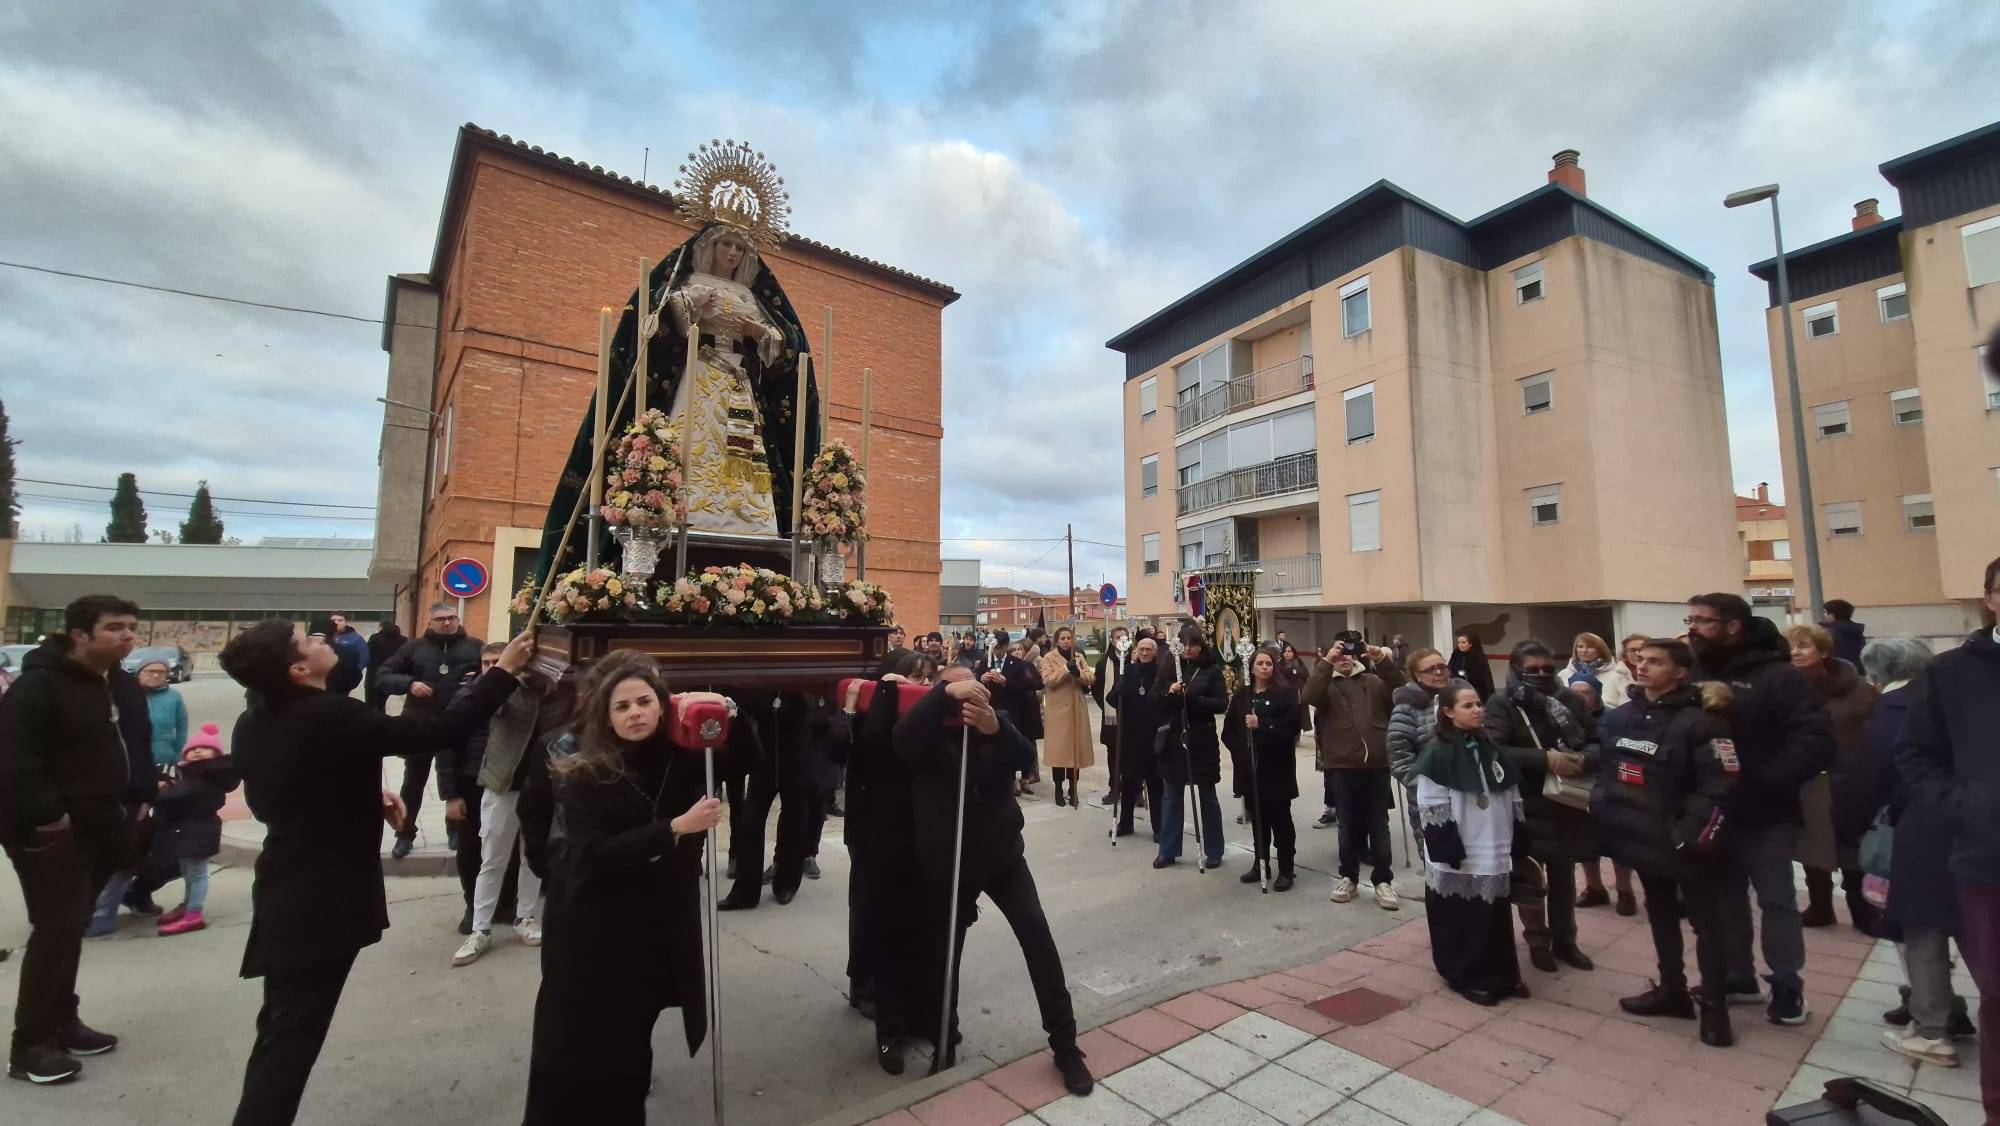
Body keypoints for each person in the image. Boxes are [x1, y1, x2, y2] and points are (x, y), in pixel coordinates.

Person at [220, 618, 532, 1124]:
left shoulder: (255, 720)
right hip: (320, 897)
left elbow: (279, 795)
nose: (320, 640)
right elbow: (441, 730)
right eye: (307, 641)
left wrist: (362, 794)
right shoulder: (332, 714)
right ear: (298, 669)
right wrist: (504, 673)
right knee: (291, 1037)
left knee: (282, 1026)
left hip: (285, 884)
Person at [520, 652, 722, 1122]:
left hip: (652, 922)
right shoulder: (575, 760)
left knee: (630, 1044)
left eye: (645, 701)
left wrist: (723, 712)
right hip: (590, 922)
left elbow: (745, 758)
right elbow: (547, 828)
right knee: (572, 1047)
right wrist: (674, 828)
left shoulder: (677, 750)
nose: (636, 713)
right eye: (623, 705)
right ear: (602, 707)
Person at [894, 666, 1095, 1096]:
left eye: (972, 685)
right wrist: (944, 694)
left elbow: (1024, 758)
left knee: (1037, 937)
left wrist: (994, 729)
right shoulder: (927, 727)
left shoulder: (994, 720)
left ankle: (1065, 1044)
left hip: (1003, 857)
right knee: (944, 955)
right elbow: (902, 739)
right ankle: (944, 1039)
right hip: (949, 863)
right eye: (957, 686)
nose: (968, 693)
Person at [0, 595, 143, 1084]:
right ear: (80, 635)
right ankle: (30, 1048)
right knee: (55, 930)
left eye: (131, 627)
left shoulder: (105, 680)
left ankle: (62, 1021)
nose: (128, 636)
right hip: (48, 832)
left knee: (72, 927)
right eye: (115, 628)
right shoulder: (37, 686)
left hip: (97, 826)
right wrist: (49, 818)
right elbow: (13, 761)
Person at [1685, 592, 1834, 1026]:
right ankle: (1739, 977)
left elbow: (1814, 740)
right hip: (1713, 810)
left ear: (1732, 626)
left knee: (1776, 899)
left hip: (1767, 811)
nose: (1692, 628)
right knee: (1726, 896)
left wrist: (1763, 780)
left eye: (1702, 620)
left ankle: (1786, 985)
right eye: (1690, 620)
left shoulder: (1780, 676)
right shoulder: (1695, 670)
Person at [1593, 638, 1740, 1047]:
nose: (1642, 666)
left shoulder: (1704, 722)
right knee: (1659, 915)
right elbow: (1609, 771)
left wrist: (1688, 837)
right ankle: (1672, 991)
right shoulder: (1622, 717)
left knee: (1707, 925)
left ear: (1680, 672)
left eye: (1655, 662)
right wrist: (1605, 812)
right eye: (1640, 660)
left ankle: (1715, 1008)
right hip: (1643, 838)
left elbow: (1720, 785)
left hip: (1689, 845)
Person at [1895, 555, 2000, 1117]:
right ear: (1990, 599)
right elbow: (1916, 753)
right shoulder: (1952, 672)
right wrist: (1970, 807)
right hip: (1988, 860)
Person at [1866, 637, 1971, 1065]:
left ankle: (1931, 1030)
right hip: (1974, 826)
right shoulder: (1969, 701)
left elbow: (1877, 771)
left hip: (1923, 828)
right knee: (1974, 928)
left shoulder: (1896, 709)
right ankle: (1954, 1013)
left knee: (1924, 932)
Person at [837, 650, 938, 1073]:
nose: (921, 684)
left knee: (919, 932)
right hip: (878, 836)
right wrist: (884, 696)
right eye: (913, 676)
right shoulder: (871, 711)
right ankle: (884, 1020)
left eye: (927, 677)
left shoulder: (931, 712)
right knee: (880, 924)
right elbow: (871, 750)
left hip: (921, 835)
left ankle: (919, 1016)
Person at [1485, 641, 1597, 973]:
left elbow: (1596, 739)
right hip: (1524, 803)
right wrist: (1545, 759)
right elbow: (1494, 750)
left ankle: (1566, 941)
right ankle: (1538, 943)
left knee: (1564, 878)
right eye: (1531, 669)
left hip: (1566, 801)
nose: (1541, 674)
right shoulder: (1502, 702)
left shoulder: (1571, 700)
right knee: (1530, 881)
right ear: (1516, 669)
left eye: (1547, 668)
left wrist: (1583, 759)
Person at [1413, 680, 1525, 1006]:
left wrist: (1519, 832)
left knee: (1494, 914)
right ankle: (1464, 974)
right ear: (1448, 712)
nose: (1478, 710)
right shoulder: (1437, 752)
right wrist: (1445, 845)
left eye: (1478, 704)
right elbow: (1431, 803)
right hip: (1461, 847)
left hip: (1494, 841)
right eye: (1468, 705)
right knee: (1462, 915)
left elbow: (1511, 790)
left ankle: (1501, 974)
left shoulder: (1490, 746)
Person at [1784, 623, 1880, 931]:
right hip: (1806, 776)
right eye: (1790, 647)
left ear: (1823, 651)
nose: (1795, 652)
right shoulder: (1783, 688)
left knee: (1851, 844)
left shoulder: (1857, 687)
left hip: (1851, 776)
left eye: (1803, 645)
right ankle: (1821, 907)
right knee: (1812, 844)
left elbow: (1876, 726)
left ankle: (1862, 911)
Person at [373, 602, 487, 859]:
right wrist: (409, 684)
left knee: (456, 780)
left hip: (458, 724)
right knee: (413, 782)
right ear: (430, 622)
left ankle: (455, 830)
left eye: (451, 618)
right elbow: (383, 675)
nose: (447, 623)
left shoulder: (474, 647)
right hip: (420, 725)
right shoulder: (413, 648)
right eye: (441, 619)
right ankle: (405, 833)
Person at [1303, 630, 1405, 907]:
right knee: (1347, 825)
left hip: (1376, 765)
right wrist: (1326, 662)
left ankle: (1383, 880)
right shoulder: (1326, 685)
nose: (1345, 659)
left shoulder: (1373, 681)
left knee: (1378, 825)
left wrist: (1381, 659)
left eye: (1349, 654)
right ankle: (1348, 877)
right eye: (1340, 655)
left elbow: (1401, 689)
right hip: (1341, 766)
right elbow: (1309, 695)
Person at [447, 643, 533, 961]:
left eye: (498, 661)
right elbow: (448, 746)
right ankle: (480, 926)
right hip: (494, 782)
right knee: (489, 856)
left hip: (530, 784)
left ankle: (524, 916)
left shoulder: (530, 692)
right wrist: (450, 794)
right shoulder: (474, 694)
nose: (492, 666)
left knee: (530, 857)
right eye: (487, 662)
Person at [1581, 634, 1651, 915]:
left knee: (1619, 841)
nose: (1580, 698)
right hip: (1579, 787)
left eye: (1586, 693)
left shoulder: (1612, 718)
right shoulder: (1567, 718)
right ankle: (1594, 887)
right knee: (1585, 842)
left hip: (1613, 781)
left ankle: (1624, 890)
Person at [1223, 646, 1302, 890]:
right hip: (1250, 769)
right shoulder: (1242, 694)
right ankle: (1261, 863)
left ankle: (1286, 868)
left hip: (1276, 767)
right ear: (1252, 667)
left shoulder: (1285, 693)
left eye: (1268, 663)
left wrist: (1264, 724)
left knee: (1280, 820)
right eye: (1260, 663)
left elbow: (1292, 726)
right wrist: (1241, 752)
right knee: (1258, 820)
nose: (1265, 667)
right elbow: (1229, 730)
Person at [149, 722, 240, 937]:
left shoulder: (204, 777)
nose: (198, 751)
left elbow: (180, 796)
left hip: (199, 832)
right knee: (189, 873)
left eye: (205, 748)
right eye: (193, 748)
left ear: (215, 754)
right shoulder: (193, 775)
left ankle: (193, 914)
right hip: (189, 832)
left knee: (197, 874)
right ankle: (188, 906)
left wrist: (158, 793)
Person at [1156, 624, 1227, 870]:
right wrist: (1169, 691)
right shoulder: (1168, 667)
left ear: (1200, 646)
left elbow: (1221, 703)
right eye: (1184, 644)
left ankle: (1214, 850)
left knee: (1207, 796)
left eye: (1193, 645)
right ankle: (1168, 850)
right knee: (1171, 796)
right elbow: (1155, 699)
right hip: (1174, 739)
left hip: (1201, 739)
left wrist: (1193, 698)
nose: (1188, 649)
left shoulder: (1211, 670)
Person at [1388, 647, 1449, 857]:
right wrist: (1427, 787)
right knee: (1440, 859)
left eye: (1442, 667)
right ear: (1416, 675)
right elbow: (1400, 762)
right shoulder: (1405, 710)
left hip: (1469, 797)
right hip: (1430, 800)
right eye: (1430, 669)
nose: (1438, 672)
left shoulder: (1460, 697)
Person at [1111, 636, 1167, 839]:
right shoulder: (1128, 671)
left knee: (1155, 783)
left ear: (1155, 653)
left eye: (1148, 650)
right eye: (1141, 649)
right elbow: (1111, 699)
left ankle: (1159, 827)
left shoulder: (1161, 673)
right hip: (1130, 735)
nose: (1144, 653)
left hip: (1152, 734)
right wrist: (1118, 690)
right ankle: (1125, 823)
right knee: (1128, 783)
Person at [978, 633, 1044, 797]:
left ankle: (1025, 777)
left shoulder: (1018, 664)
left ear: (1006, 646)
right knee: (1000, 745)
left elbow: (1031, 685)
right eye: (994, 648)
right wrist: (982, 678)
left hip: (1015, 710)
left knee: (1017, 742)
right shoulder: (986, 662)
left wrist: (1005, 682)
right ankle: (1009, 779)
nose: (997, 651)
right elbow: (976, 679)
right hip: (993, 708)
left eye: (1000, 648)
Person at [1037, 627, 1096, 808]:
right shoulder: (1048, 658)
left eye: (1069, 638)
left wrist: (1078, 673)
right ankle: (1058, 788)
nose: (1066, 641)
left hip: (1076, 709)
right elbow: (1048, 680)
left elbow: (1090, 678)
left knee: (1075, 752)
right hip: (1058, 710)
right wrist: (1064, 669)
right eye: (1062, 638)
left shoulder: (1079, 657)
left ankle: (1073, 788)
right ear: (1057, 640)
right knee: (1059, 752)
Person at [1090, 626, 1130, 808]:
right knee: (1113, 753)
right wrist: (1107, 706)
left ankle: (1135, 790)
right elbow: (1097, 689)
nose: (1121, 640)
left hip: (1133, 716)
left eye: (1124, 637)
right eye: (1117, 637)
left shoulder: (1135, 660)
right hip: (1111, 717)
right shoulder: (1103, 663)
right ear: (1112, 641)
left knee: (1133, 754)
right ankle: (1115, 788)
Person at [138, 658, 189, 771]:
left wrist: (178, 757)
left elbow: (182, 728)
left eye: (161, 672)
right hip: (131, 759)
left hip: (163, 758)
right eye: (151, 671)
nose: (156, 675)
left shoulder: (174, 696)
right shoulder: (128, 694)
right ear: (139, 673)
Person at [1560, 632, 1630, 710]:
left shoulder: (1616, 674)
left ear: (1601, 650)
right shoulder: (1564, 674)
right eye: (1580, 646)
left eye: (1590, 647)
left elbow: (1627, 703)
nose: (1584, 650)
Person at [313, 614, 368, 698]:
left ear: (346, 622)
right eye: (333, 620)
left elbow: (363, 657)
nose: (336, 623)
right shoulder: (320, 638)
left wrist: (354, 672)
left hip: (341, 682)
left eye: (340, 620)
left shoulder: (356, 638)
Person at [363, 621, 404, 712]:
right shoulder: (403, 640)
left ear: (381, 627)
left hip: (374, 675)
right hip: (391, 676)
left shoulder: (375, 638)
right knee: (382, 701)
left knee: (371, 704)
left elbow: (367, 655)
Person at [1448, 630, 1495, 701]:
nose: (1460, 645)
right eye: (1459, 643)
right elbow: (1451, 669)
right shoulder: (1456, 655)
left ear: (1470, 644)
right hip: (1458, 689)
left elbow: (1484, 677)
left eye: (1463, 642)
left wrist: (1466, 675)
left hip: (1476, 690)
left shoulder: (1477, 657)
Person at [1821, 599, 1867, 667]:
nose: (1823, 615)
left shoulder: (1829, 633)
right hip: (1856, 670)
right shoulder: (1856, 631)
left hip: (1836, 670)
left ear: (1832, 614)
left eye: (1825, 612)